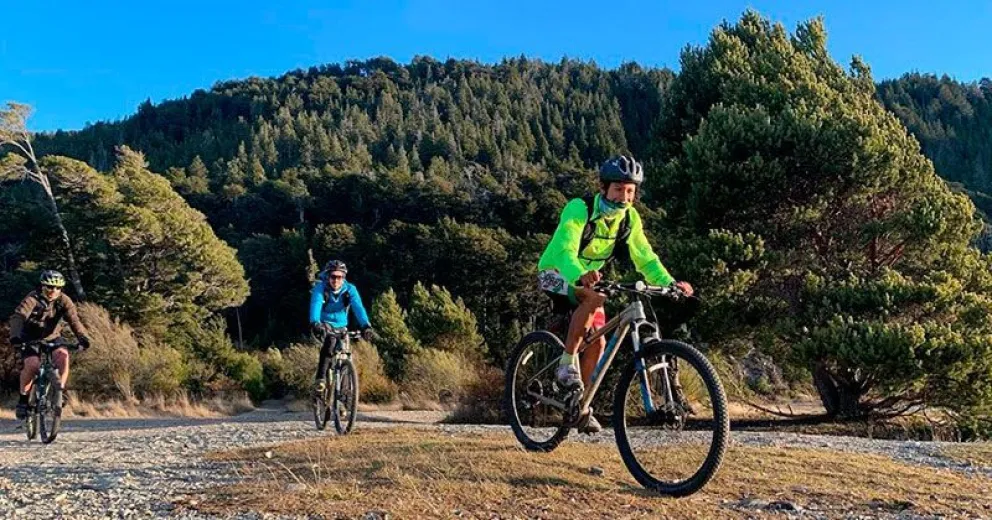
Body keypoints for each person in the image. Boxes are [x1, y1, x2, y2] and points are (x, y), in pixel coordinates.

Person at [537, 155, 694, 433]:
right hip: (557, 271)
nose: (624, 197)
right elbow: (564, 248)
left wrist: (669, 283)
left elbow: (645, 257)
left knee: (598, 342)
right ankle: (565, 365)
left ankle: (580, 406)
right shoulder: (580, 208)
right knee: (594, 297)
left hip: (590, 278)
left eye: (630, 191)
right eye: (619, 189)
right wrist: (579, 275)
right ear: (604, 189)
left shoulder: (629, 218)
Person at [8, 270, 91, 419]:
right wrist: (15, 337)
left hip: (53, 336)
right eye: (50, 287)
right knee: (32, 365)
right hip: (30, 337)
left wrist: (83, 337)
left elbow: (74, 320)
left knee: (63, 357)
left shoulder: (64, 300)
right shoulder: (32, 298)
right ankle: (23, 400)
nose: (54, 291)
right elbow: (18, 317)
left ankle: (60, 391)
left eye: (58, 288)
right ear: (43, 286)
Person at [308, 260, 374, 393]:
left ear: (344, 277)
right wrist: (315, 322)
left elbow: (358, 307)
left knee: (345, 353)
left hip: (342, 325)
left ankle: (343, 396)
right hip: (324, 324)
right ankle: (320, 379)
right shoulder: (320, 289)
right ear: (328, 276)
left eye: (340, 277)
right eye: (333, 276)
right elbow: (315, 305)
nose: (336, 280)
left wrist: (366, 325)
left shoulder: (350, 290)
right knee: (330, 343)